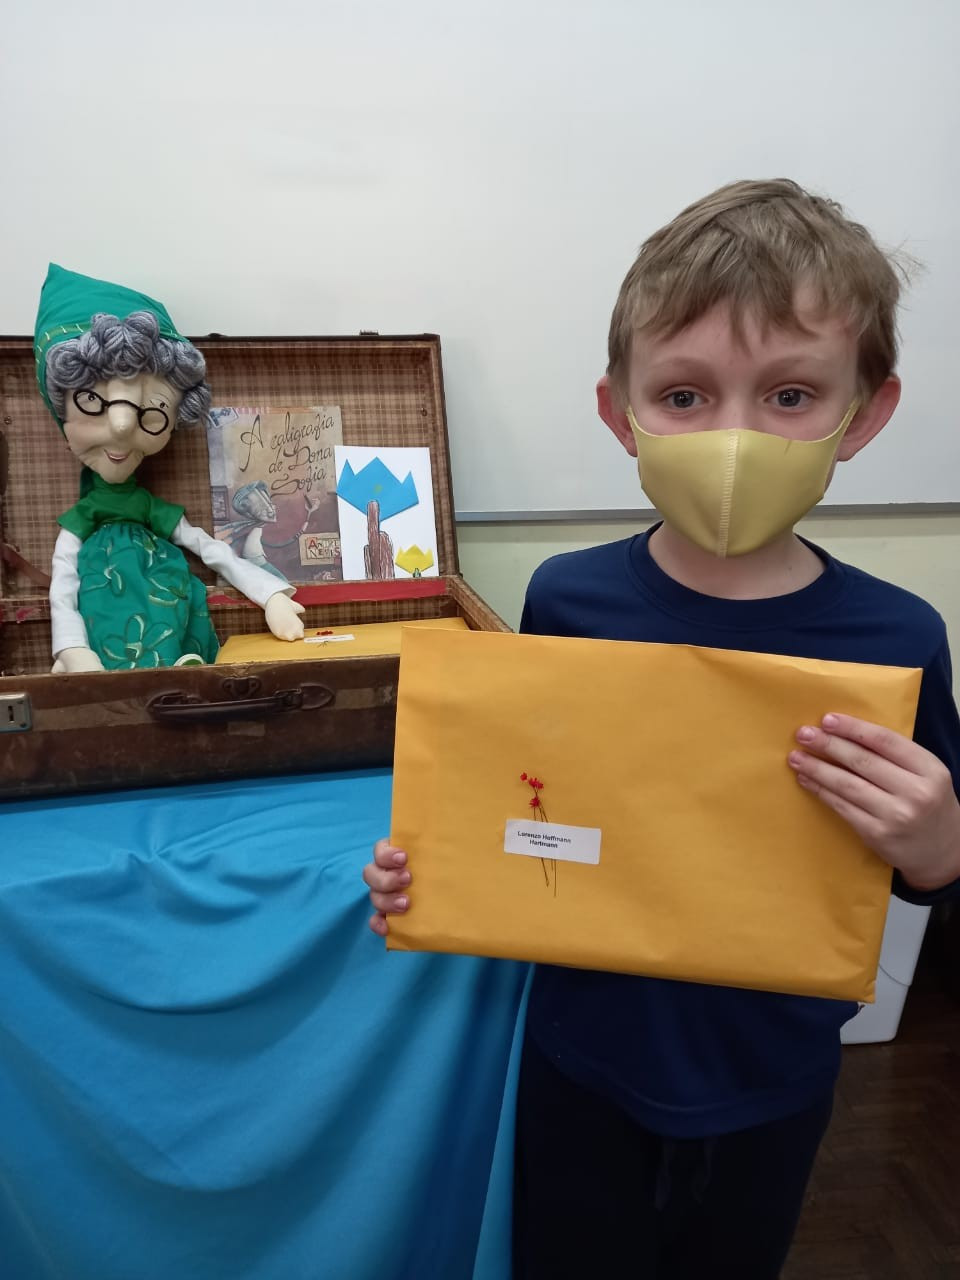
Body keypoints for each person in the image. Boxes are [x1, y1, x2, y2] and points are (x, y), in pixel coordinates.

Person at [363, 179, 960, 1278]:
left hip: (772, 1072)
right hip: (584, 1051)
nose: (734, 438)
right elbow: (540, 802)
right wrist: (433, 866)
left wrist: (937, 842)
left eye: (790, 395)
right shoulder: (568, 598)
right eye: (684, 396)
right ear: (620, 411)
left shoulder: (899, 635)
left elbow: (932, 869)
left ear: (865, 414)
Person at [35, 264, 305, 670]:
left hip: (167, 608)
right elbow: (63, 586)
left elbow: (211, 550)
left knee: (176, 601)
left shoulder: (147, 508)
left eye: (152, 410)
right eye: (93, 402)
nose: (122, 426)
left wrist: (271, 596)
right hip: (100, 640)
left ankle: (175, 663)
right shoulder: (84, 517)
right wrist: (71, 648)